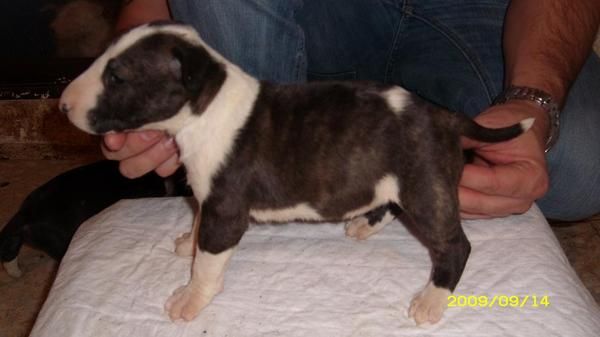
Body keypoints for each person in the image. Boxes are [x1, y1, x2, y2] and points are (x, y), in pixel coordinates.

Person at [102, 0, 600, 221]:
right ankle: (270, 155)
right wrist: (144, 88)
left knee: (578, 167)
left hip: (481, 10)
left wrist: (532, 97)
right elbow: (150, 6)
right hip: (320, 11)